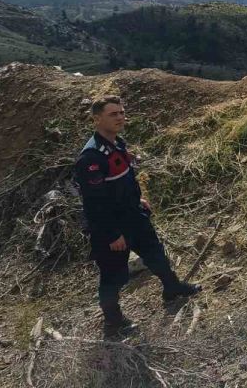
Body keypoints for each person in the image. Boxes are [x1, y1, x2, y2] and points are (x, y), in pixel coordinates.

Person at [74, 96, 200, 337]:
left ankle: (172, 288)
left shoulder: (116, 143)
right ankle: (113, 322)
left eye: (121, 112)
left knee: (155, 253)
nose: (120, 117)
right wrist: (112, 233)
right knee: (113, 276)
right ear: (97, 118)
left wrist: (137, 200)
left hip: (133, 215)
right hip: (112, 226)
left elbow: (122, 180)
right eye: (113, 114)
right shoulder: (91, 157)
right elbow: (94, 203)